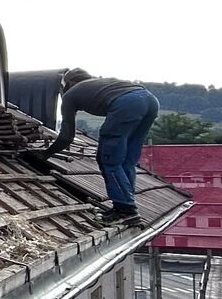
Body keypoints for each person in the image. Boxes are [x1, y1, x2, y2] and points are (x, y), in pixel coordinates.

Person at [32, 69, 160, 224]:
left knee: (108, 158)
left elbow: (67, 136)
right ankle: (125, 205)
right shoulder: (101, 85)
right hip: (150, 101)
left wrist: (46, 153)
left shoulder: (70, 94)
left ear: (70, 84)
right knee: (126, 161)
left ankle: (126, 210)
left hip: (128, 103)